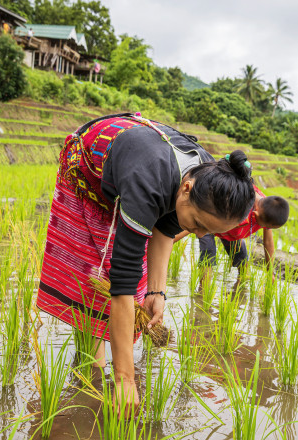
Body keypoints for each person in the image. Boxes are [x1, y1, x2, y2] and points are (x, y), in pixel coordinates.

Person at [37, 113, 255, 414]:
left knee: (135, 285)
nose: (200, 234)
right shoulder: (148, 180)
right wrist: (125, 379)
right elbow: (122, 284)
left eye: (210, 231)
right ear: (187, 189)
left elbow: (166, 226)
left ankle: (96, 364)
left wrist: (156, 292)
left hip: (143, 175)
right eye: (198, 224)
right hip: (89, 170)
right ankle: (93, 368)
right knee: (96, 277)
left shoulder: (209, 173)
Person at [175, 181, 289, 291]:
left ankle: (240, 293)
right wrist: (172, 239)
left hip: (234, 233)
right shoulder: (239, 204)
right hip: (209, 225)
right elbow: (196, 227)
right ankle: (202, 294)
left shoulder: (267, 209)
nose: (266, 228)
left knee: (243, 265)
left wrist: (270, 271)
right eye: (263, 225)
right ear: (255, 215)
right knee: (208, 257)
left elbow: (268, 242)